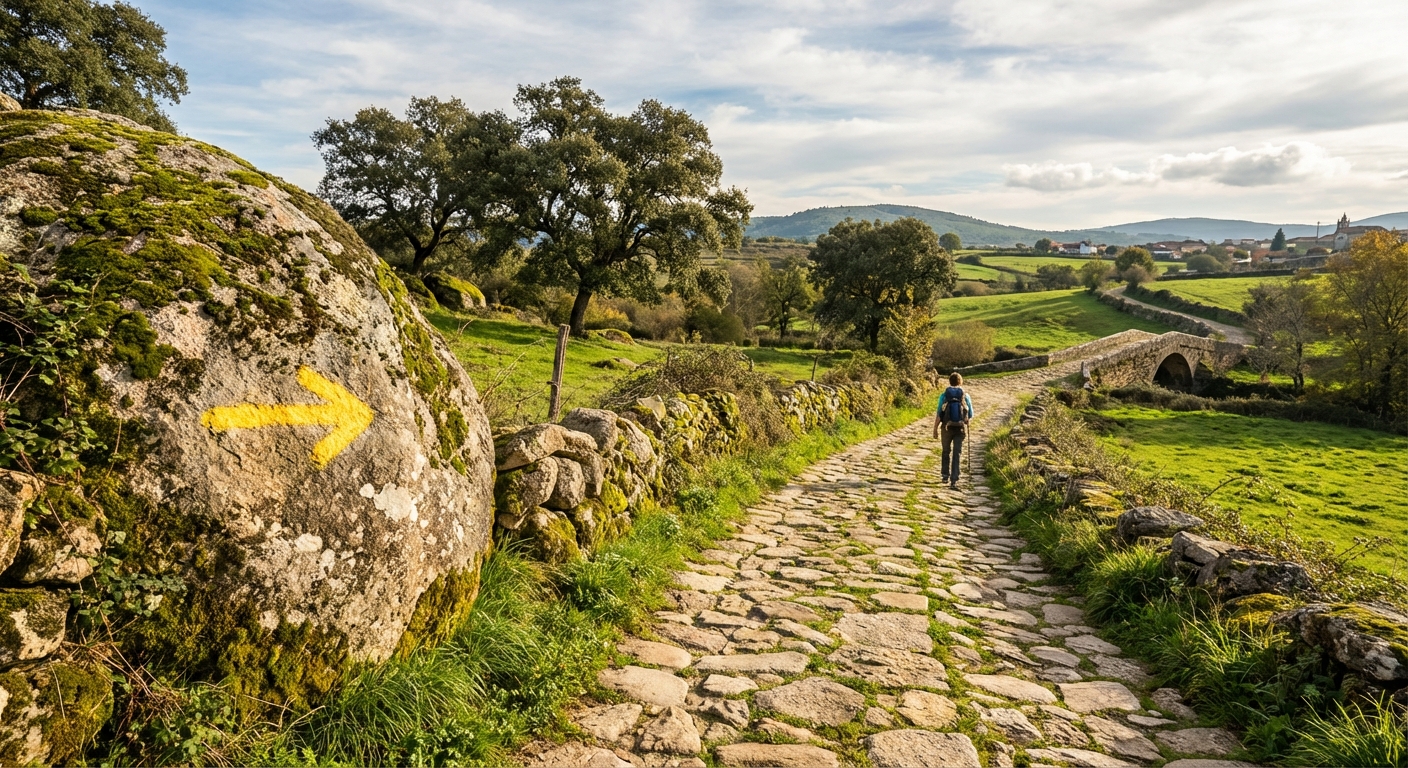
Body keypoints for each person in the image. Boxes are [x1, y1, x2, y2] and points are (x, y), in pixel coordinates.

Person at [933, 372, 973, 488]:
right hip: (959, 429)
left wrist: (935, 429)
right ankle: (954, 479)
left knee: (946, 451)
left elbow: (939, 414)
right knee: (957, 453)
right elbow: (970, 414)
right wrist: (965, 419)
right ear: (960, 382)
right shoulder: (965, 396)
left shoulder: (944, 395)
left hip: (946, 427)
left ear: (949, 382)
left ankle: (945, 475)